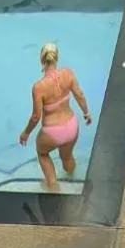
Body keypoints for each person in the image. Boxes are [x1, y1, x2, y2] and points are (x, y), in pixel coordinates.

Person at [19, 42, 91, 192]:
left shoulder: (38, 87)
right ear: (56, 58)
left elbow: (35, 117)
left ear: (41, 60)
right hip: (71, 127)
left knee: (43, 153)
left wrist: (26, 133)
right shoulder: (68, 73)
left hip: (52, 133)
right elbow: (80, 95)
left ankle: (53, 188)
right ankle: (74, 183)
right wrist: (86, 113)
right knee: (67, 156)